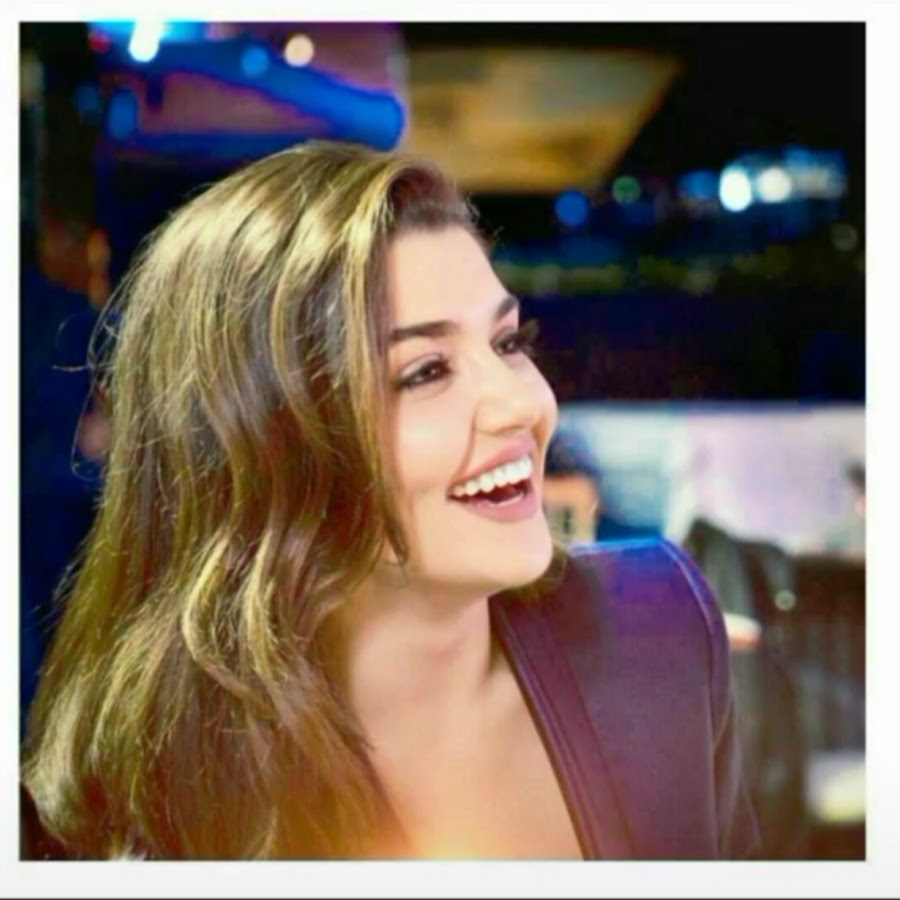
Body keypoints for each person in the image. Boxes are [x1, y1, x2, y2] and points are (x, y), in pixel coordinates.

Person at [21, 140, 759, 860]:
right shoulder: (125, 819)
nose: (522, 404)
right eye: (426, 371)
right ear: (267, 445)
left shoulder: (662, 634)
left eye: (508, 343)